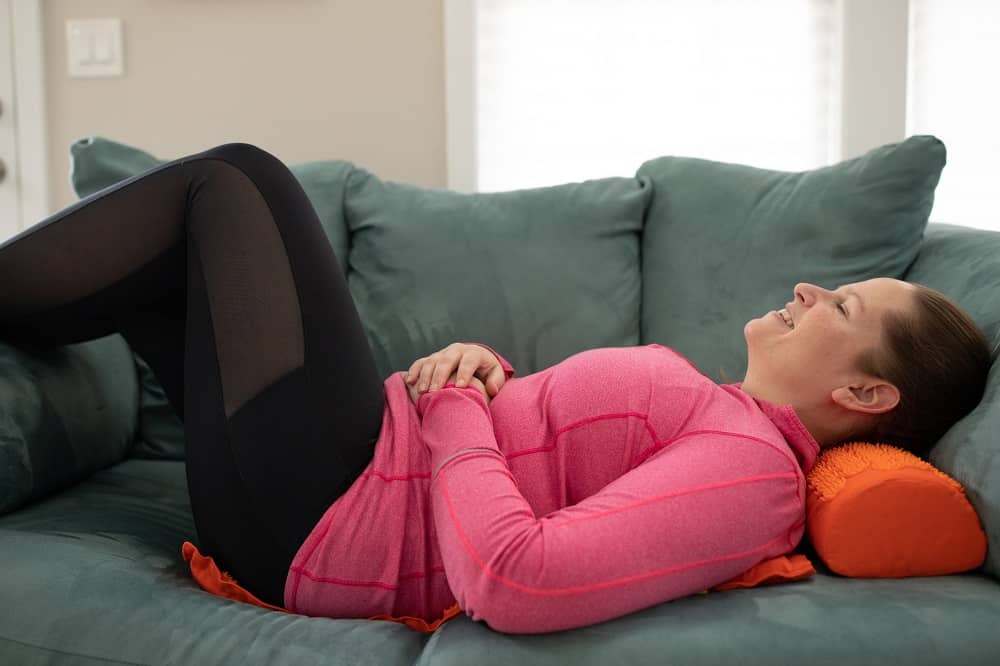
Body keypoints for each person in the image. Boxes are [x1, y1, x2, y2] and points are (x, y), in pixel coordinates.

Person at [0, 143, 990, 635]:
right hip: (348, 474)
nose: (811, 289)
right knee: (174, 267)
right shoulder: (725, 418)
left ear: (865, 398)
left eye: (843, 309)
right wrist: (488, 375)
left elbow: (519, 579)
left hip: (332, 512)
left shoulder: (753, 472)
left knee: (237, 184)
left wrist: (456, 408)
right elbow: (554, 453)